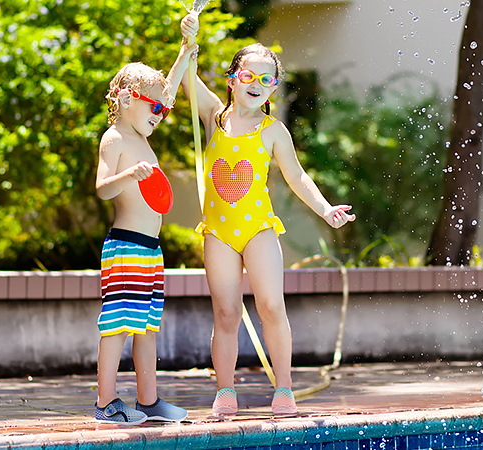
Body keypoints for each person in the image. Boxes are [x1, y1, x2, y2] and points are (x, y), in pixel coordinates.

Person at [179, 14, 355, 416]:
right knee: (225, 312)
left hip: (258, 228)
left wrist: (325, 209)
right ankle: (225, 390)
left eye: (266, 79)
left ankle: (285, 388)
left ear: (274, 86)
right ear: (232, 78)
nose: (256, 86)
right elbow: (187, 74)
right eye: (249, 76)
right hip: (219, 232)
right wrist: (187, 40)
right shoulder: (213, 118)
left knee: (271, 306)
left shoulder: (274, 130)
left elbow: (297, 176)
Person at [93, 39, 196, 424]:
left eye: (161, 108)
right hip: (126, 246)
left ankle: (149, 402)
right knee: (118, 327)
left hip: (150, 249)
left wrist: (185, 52)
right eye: (152, 106)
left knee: (147, 327)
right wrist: (127, 174)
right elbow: (103, 189)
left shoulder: (142, 135)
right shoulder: (116, 139)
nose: (161, 111)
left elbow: (165, 92)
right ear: (123, 99)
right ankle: (105, 403)